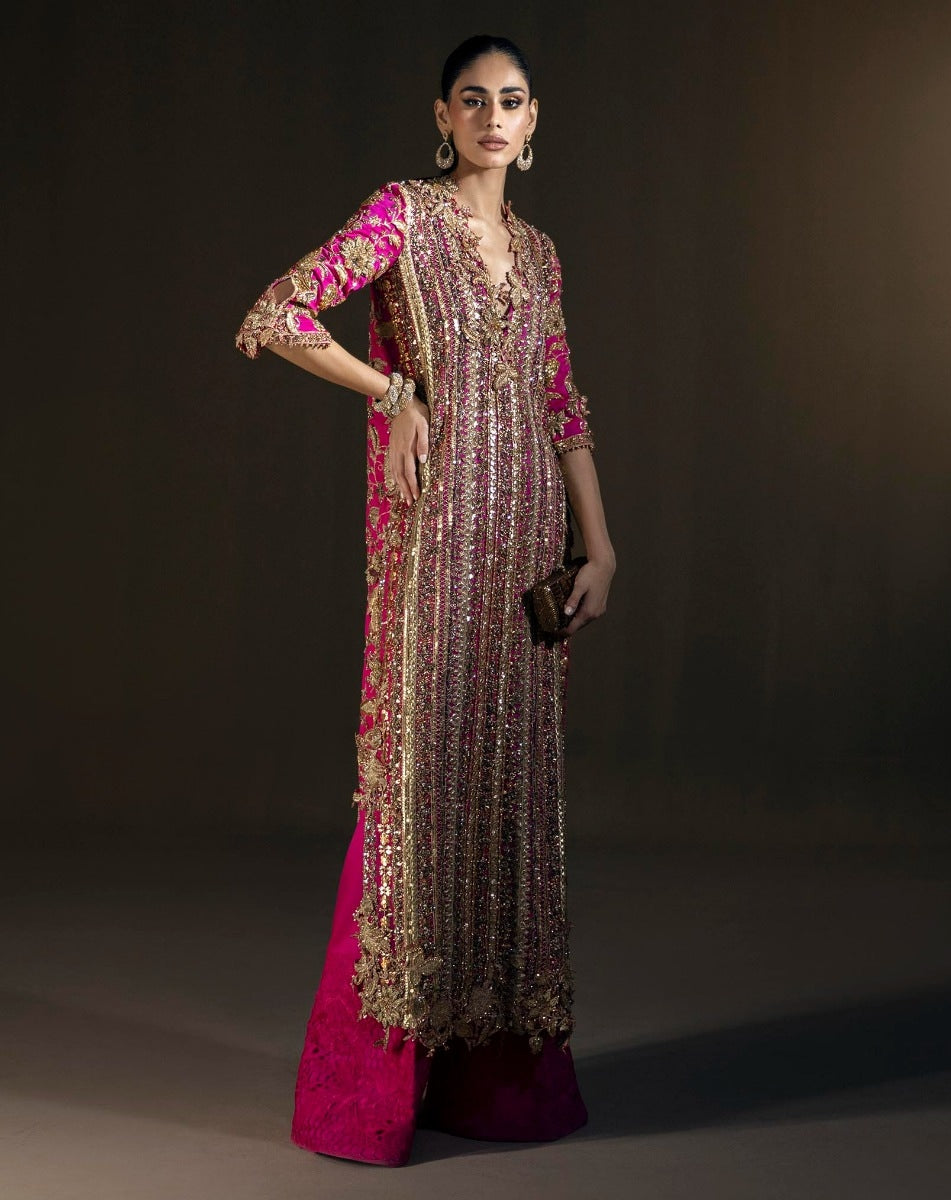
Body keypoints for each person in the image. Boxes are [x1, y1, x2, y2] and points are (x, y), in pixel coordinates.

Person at [235, 33, 615, 1167]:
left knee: (509, 800)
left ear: (532, 121)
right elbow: (279, 312)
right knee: (423, 788)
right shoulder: (402, 216)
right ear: (441, 117)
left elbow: (562, 406)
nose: (492, 117)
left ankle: (495, 1087)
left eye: (511, 100)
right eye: (472, 99)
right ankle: (378, 1090)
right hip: (437, 547)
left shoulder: (539, 254)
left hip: (527, 548)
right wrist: (389, 389)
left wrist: (599, 547)